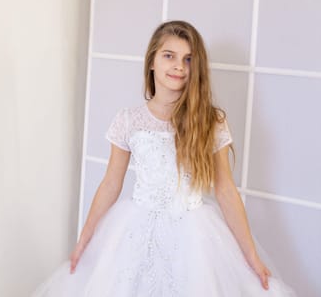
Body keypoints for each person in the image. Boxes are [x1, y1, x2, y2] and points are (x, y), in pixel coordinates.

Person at [31, 20, 296, 296]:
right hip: (137, 232)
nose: (179, 66)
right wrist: (85, 238)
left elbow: (225, 189)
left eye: (188, 59)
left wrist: (251, 255)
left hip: (194, 239)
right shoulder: (129, 120)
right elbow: (111, 183)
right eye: (169, 56)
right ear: (152, 62)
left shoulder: (211, 120)